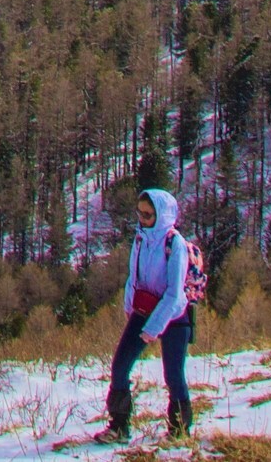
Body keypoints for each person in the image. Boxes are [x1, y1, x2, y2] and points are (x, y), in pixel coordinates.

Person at [106, 186, 195, 442]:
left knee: (174, 375)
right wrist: (129, 308)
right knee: (120, 366)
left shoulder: (174, 243)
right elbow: (134, 277)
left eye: (148, 215)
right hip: (144, 310)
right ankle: (119, 426)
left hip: (174, 316)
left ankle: (179, 432)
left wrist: (152, 328)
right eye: (140, 214)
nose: (142, 219)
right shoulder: (140, 238)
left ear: (163, 214)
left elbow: (175, 293)